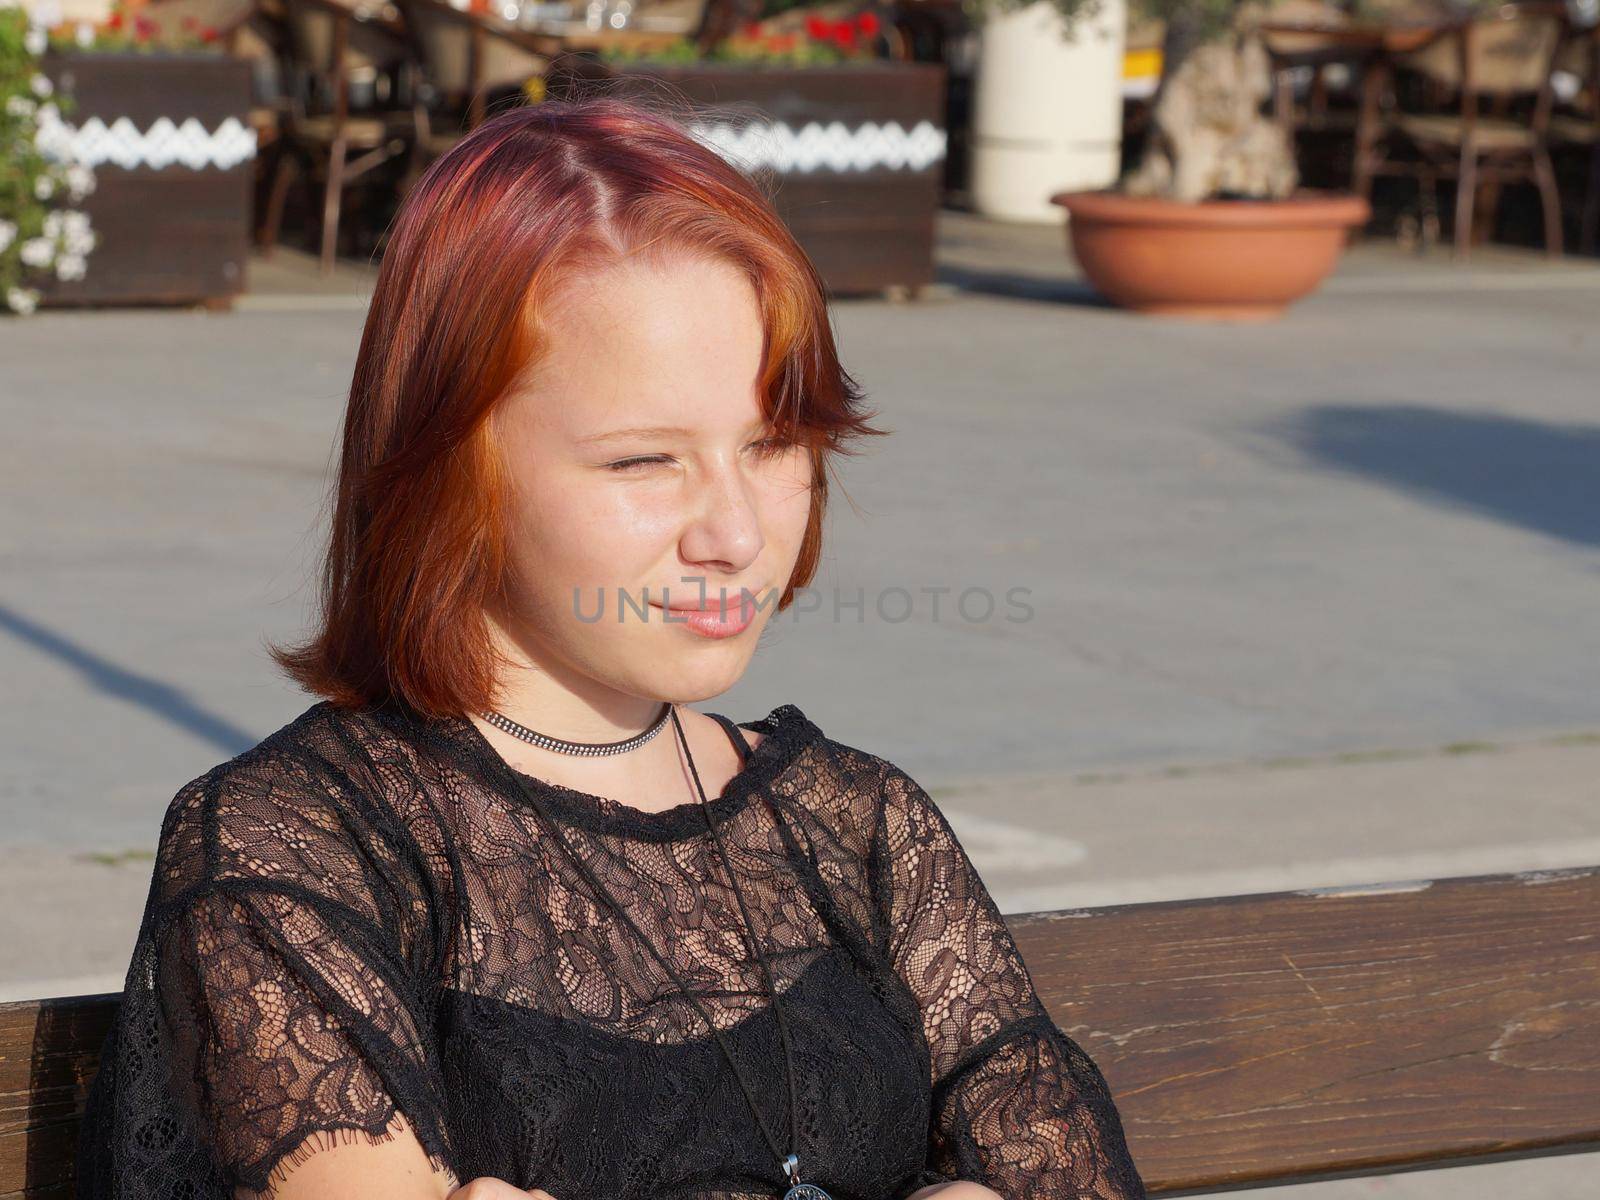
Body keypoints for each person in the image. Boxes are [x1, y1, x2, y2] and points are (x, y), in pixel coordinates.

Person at [73, 96, 1149, 1200]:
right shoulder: (291, 852)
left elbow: (1056, 1152)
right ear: (450, 468)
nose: (735, 534)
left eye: (773, 442)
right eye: (645, 461)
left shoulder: (852, 824)